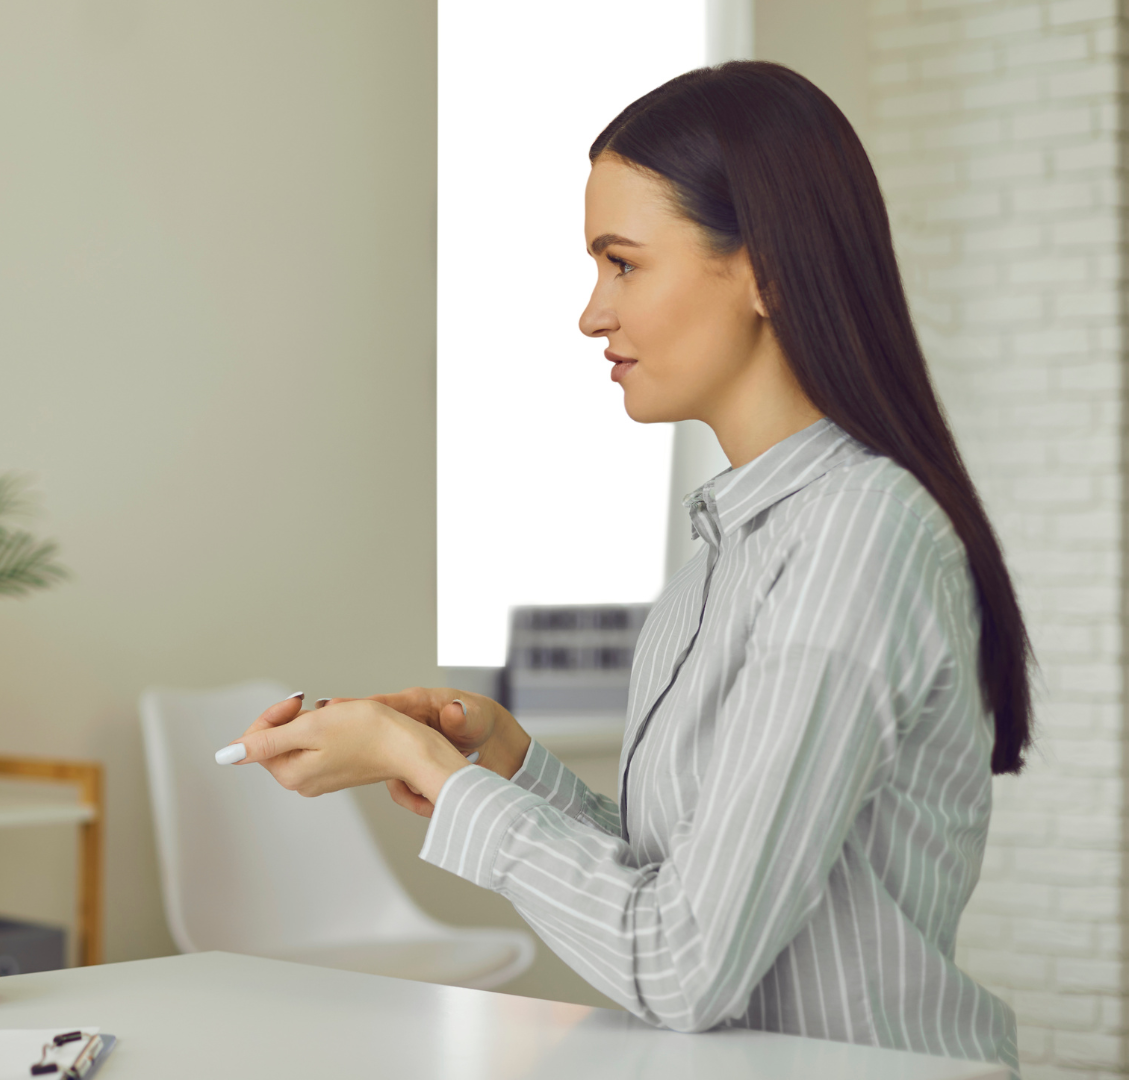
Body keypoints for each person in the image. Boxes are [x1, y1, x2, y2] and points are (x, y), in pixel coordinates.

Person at [218, 62, 1026, 1074]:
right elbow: (682, 887)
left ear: (764, 269)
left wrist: (415, 762)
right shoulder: (723, 554)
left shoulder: (858, 538)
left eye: (623, 264)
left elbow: (683, 966)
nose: (592, 314)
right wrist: (507, 765)